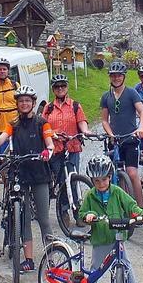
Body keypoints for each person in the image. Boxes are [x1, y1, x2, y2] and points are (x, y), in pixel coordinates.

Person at [0, 85, 56, 273]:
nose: (24, 104)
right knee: (23, 217)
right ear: (17, 103)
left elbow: (50, 143)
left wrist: (47, 152)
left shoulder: (42, 123)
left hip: (39, 174)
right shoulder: (14, 124)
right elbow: (3, 137)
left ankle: (51, 257)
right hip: (19, 174)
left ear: (33, 103)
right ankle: (29, 259)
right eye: (21, 101)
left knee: (43, 217)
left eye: (27, 101)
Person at [78, 155, 143, 283]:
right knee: (94, 271)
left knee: (127, 268)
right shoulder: (90, 195)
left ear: (110, 177)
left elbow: (132, 206)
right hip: (100, 240)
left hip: (117, 238)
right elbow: (82, 214)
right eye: (96, 181)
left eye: (104, 179)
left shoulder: (117, 192)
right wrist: (88, 215)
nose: (101, 184)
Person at [41, 74, 90, 224]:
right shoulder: (48, 108)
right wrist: (53, 134)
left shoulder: (75, 105)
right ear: (53, 89)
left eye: (63, 86)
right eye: (57, 86)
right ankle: (63, 211)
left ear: (67, 87)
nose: (60, 89)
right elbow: (43, 127)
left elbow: (81, 122)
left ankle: (78, 212)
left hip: (72, 146)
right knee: (62, 180)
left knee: (73, 178)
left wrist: (86, 131)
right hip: (56, 148)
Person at [100, 61, 143, 205]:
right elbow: (104, 120)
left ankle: (141, 207)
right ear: (110, 77)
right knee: (115, 174)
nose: (116, 78)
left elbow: (142, 112)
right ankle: (121, 205)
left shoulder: (131, 92)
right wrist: (110, 134)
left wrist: (141, 128)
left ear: (124, 77)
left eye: (119, 76)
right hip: (115, 140)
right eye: (113, 76)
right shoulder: (106, 96)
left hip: (130, 138)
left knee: (132, 173)